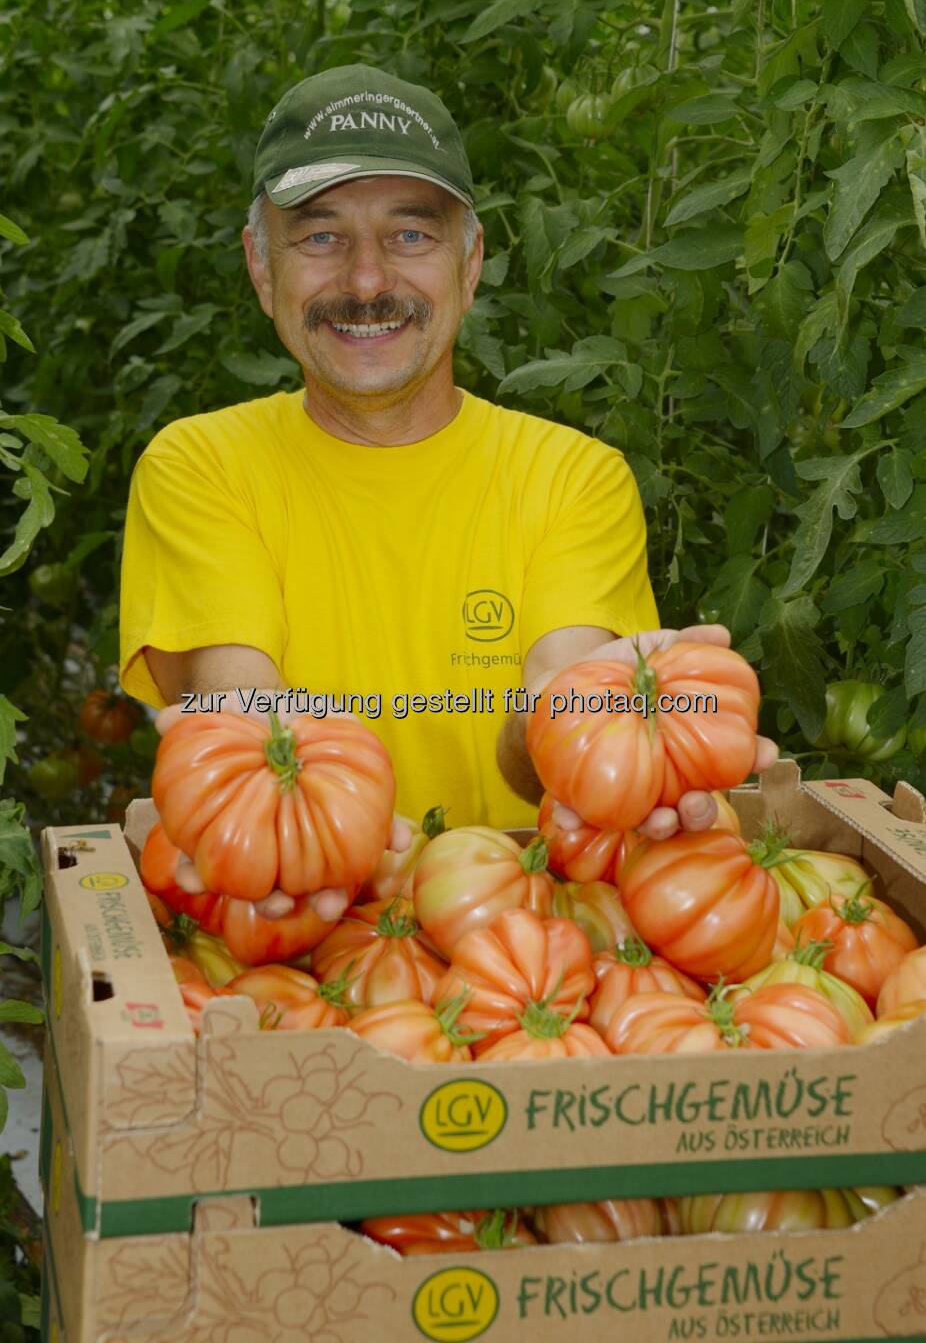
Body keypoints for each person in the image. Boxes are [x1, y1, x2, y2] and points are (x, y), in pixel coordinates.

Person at [119, 63, 776, 917]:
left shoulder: (573, 476)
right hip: (283, 932)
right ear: (259, 266)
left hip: (528, 937)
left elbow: (551, 713)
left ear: (471, 266)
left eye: (411, 236)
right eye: (319, 237)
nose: (363, 280)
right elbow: (242, 700)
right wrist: (296, 816)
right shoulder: (201, 465)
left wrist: (587, 724)